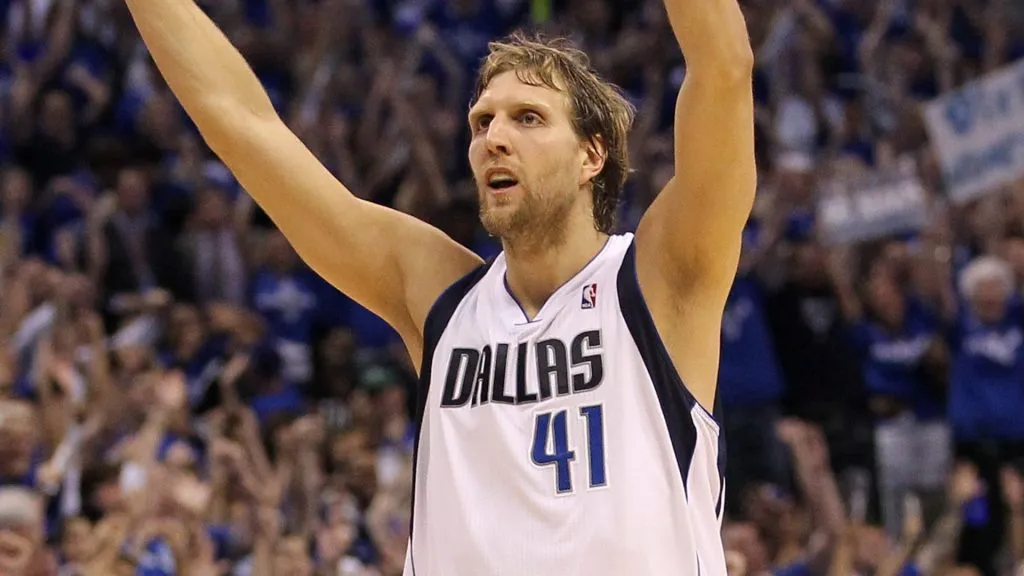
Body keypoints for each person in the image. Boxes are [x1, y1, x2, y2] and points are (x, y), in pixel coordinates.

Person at [123, 0, 755, 573]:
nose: (493, 139)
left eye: (527, 118)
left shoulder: (659, 280)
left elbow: (723, 68)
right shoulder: (441, 298)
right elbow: (240, 124)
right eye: (481, 124)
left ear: (592, 155)